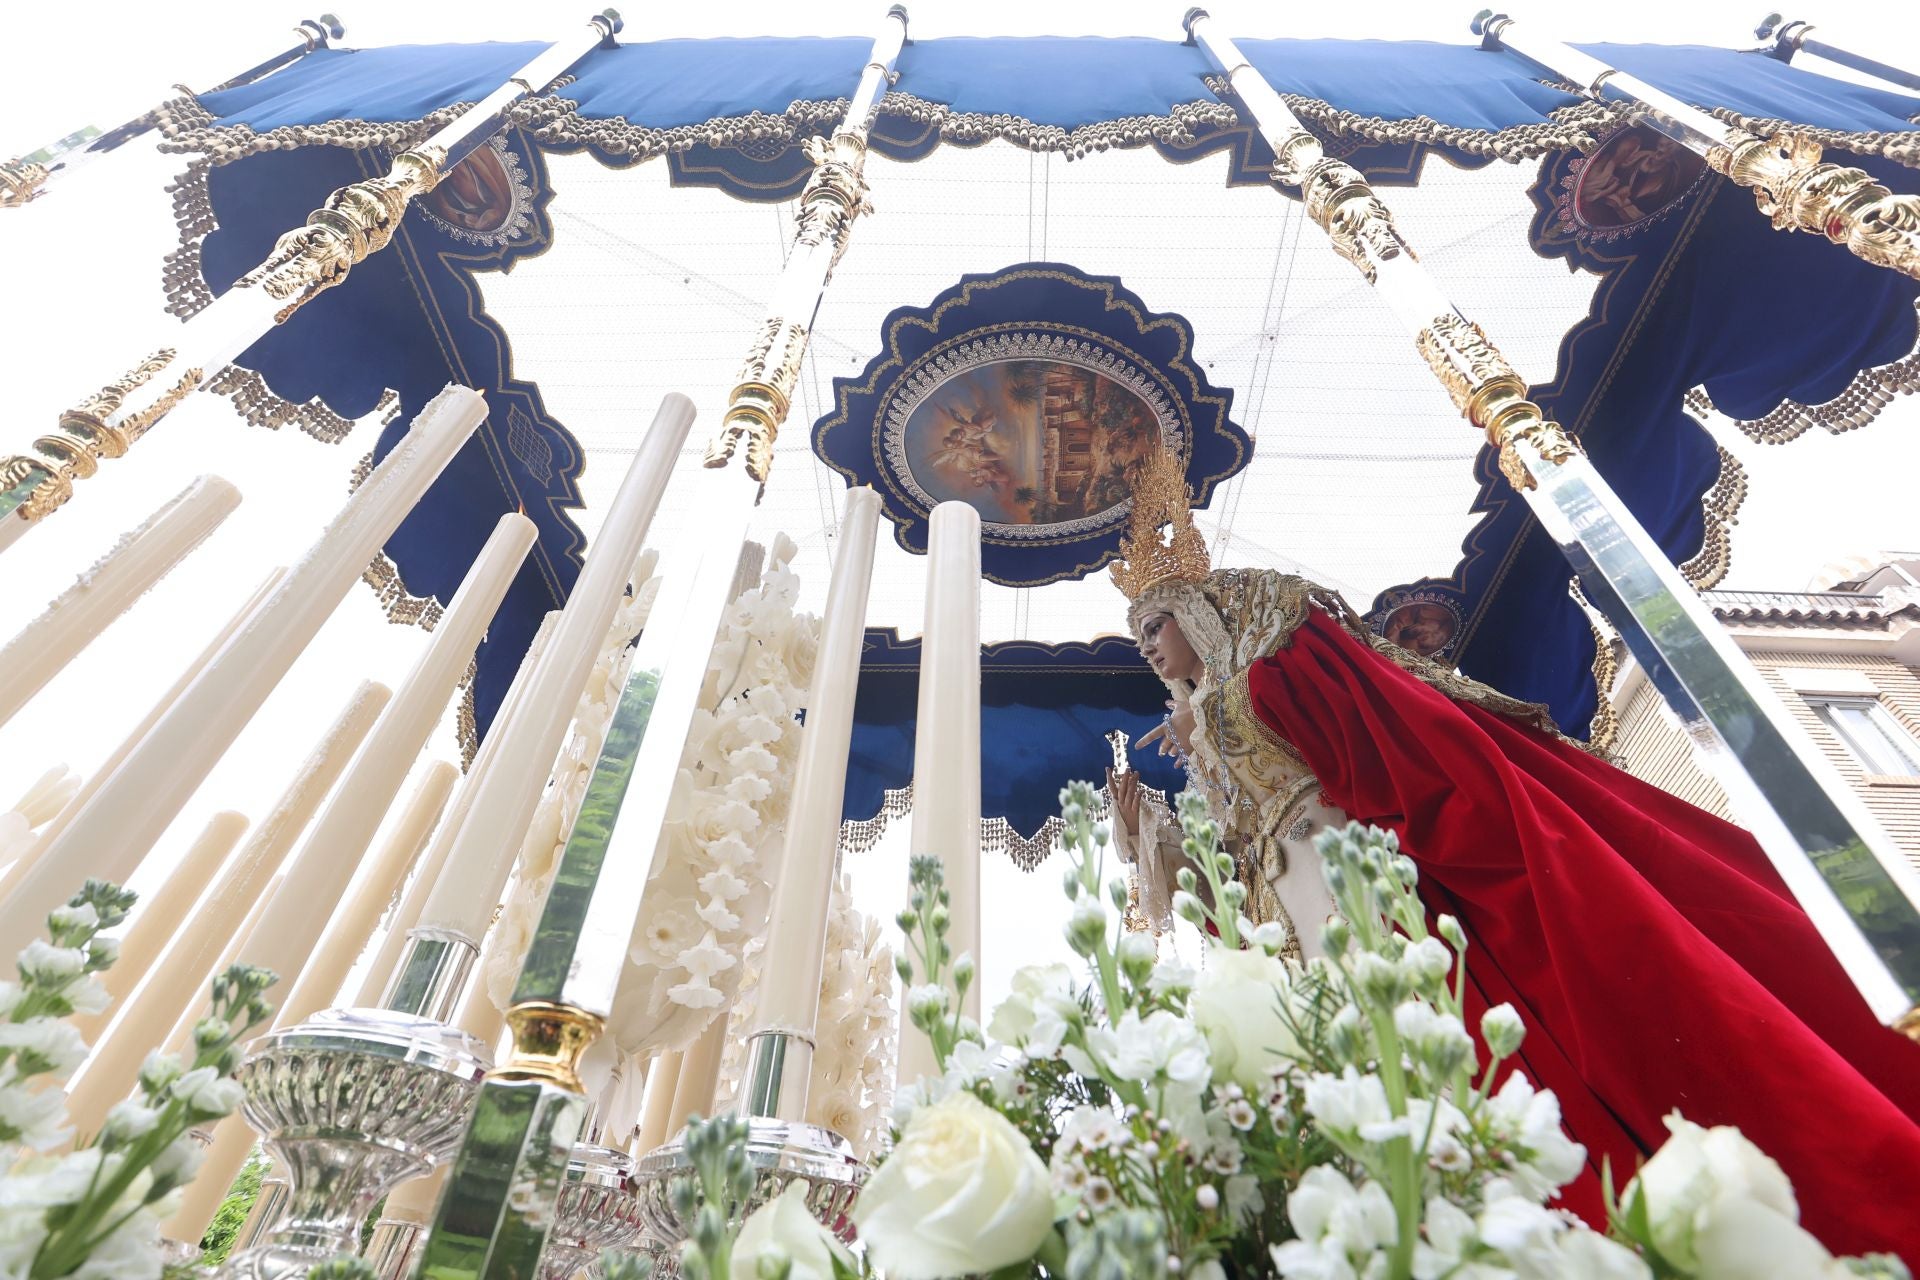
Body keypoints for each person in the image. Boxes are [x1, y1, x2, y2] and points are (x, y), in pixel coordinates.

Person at [1104, 449, 1920, 1261]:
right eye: (1137, 636)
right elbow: (1238, 877)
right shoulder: (1204, 724)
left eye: (1153, 624)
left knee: (1442, 1056)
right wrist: (1156, 839)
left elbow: (1383, 745)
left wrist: (1218, 720)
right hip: (1299, 931)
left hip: (1364, 886)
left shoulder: (1275, 666)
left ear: (1202, 610)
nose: (1145, 647)